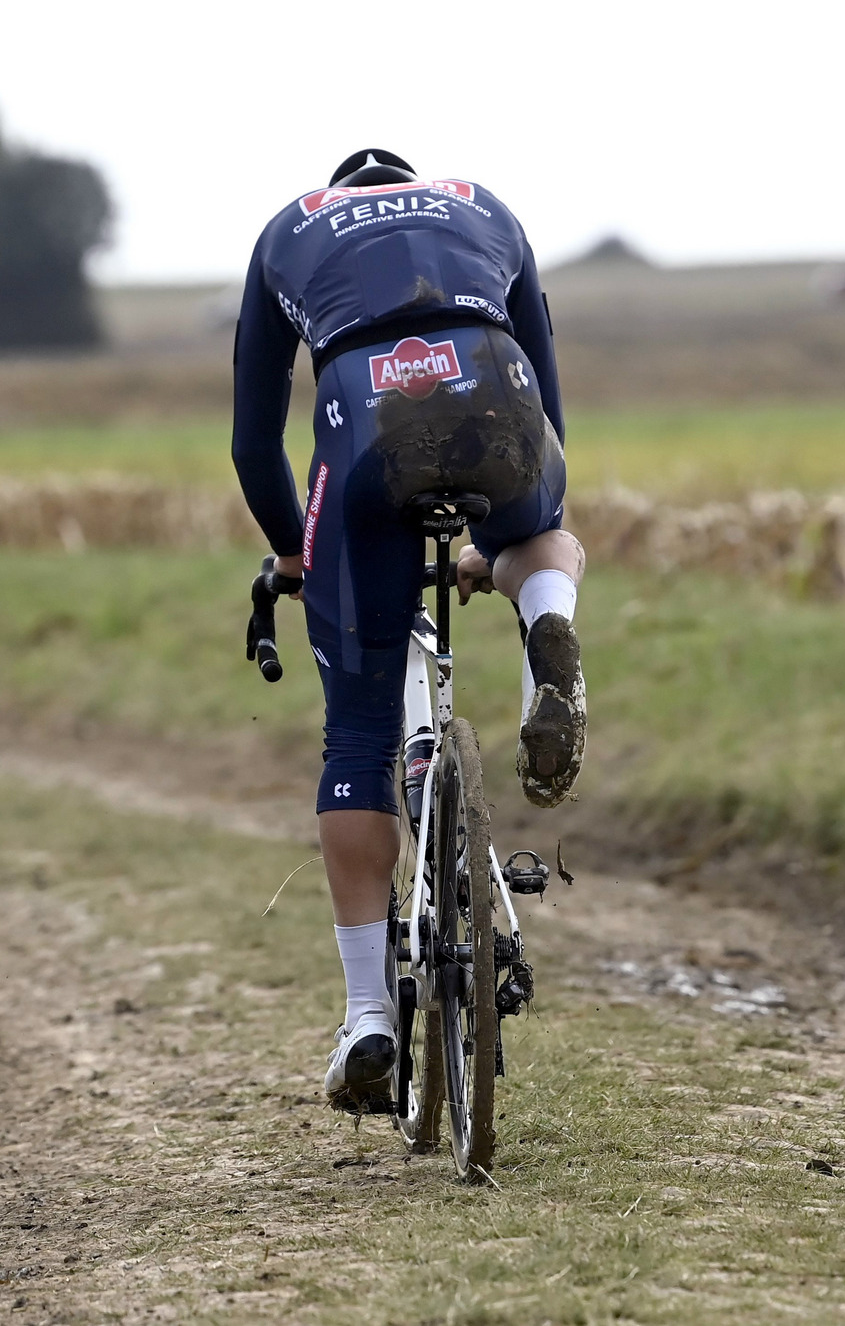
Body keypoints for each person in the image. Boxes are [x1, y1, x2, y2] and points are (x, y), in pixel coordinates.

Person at [231, 150, 587, 1112]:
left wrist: (294, 553)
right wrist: (500, 530)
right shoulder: (486, 207)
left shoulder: (287, 230)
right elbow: (549, 405)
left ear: (340, 198)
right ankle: (544, 617)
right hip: (496, 387)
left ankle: (367, 1018)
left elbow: (253, 440)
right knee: (544, 537)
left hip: (364, 420)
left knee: (355, 732)